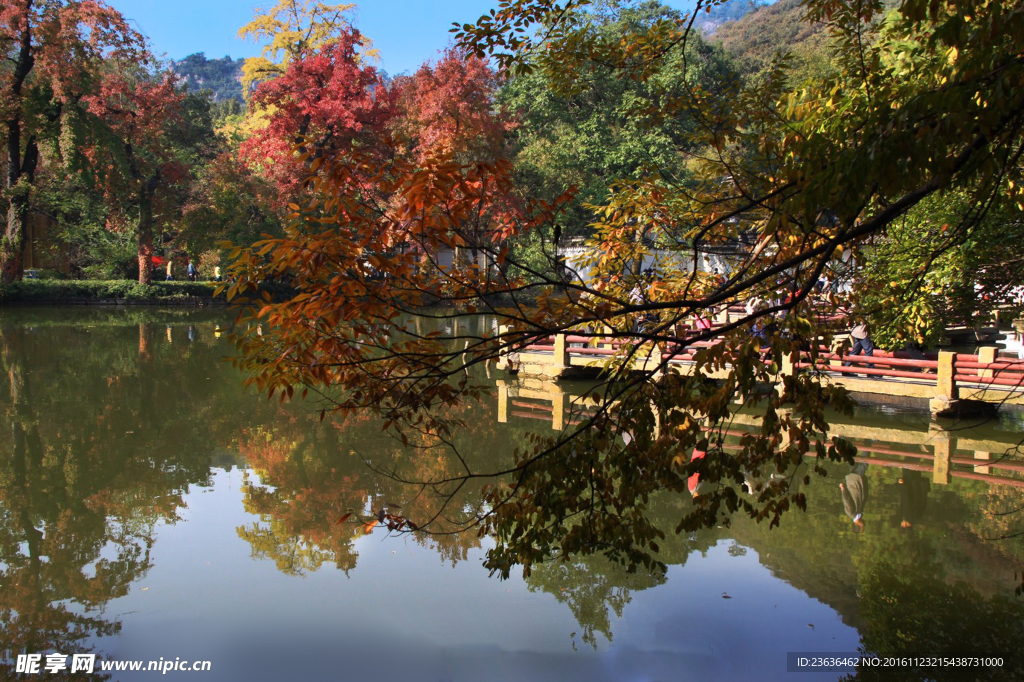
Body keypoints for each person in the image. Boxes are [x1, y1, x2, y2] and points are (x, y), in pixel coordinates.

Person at [840, 462, 868, 532]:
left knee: (864, 464)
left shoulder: (851, 513)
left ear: (858, 525)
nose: (864, 525)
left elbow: (846, 500)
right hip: (858, 481)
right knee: (857, 462)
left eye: (862, 527)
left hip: (854, 482)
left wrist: (843, 489)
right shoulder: (859, 512)